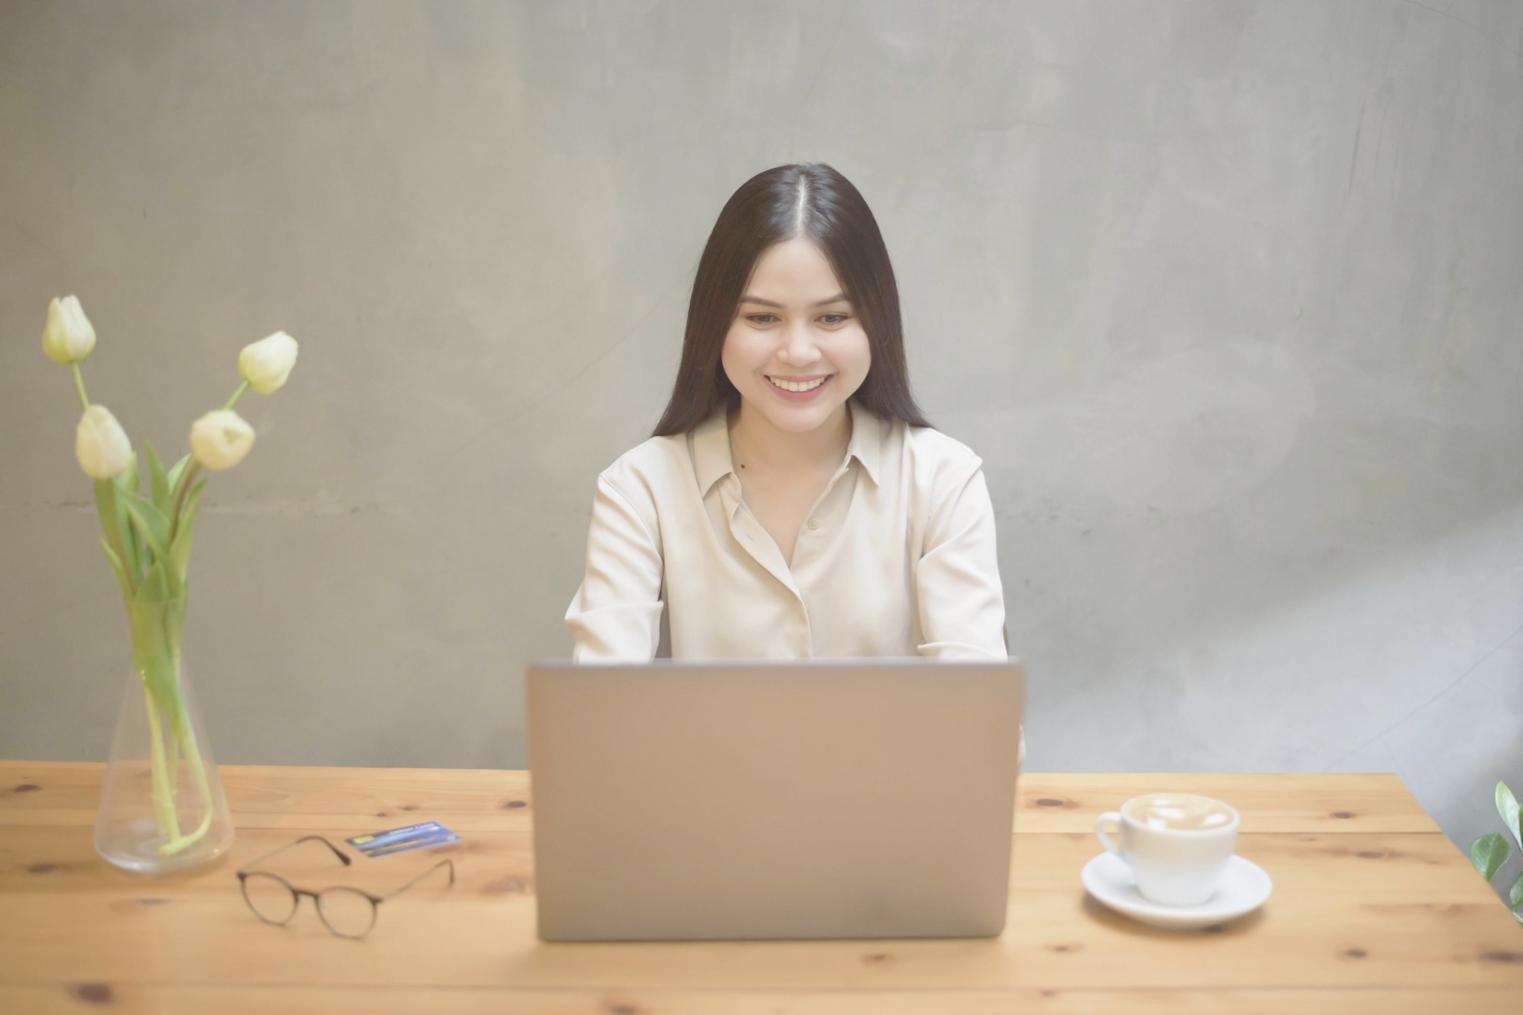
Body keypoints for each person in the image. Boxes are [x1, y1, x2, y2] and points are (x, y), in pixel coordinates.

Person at [564, 162, 1025, 764]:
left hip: (891, 836)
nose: (798, 352)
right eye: (762, 318)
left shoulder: (942, 477)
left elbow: (980, 732)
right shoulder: (641, 486)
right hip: (711, 836)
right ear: (714, 325)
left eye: (833, 317)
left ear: (876, 323)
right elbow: (600, 726)